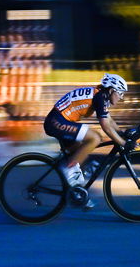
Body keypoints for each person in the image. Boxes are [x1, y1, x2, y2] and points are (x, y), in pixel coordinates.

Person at [43, 73, 129, 209]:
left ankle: (78, 195)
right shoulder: (99, 97)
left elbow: (109, 120)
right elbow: (105, 126)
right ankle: (67, 168)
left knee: (80, 155)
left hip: (59, 121)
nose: (121, 97)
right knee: (95, 138)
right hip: (56, 121)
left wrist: (122, 134)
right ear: (112, 90)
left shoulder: (101, 96)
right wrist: (123, 143)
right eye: (120, 93)